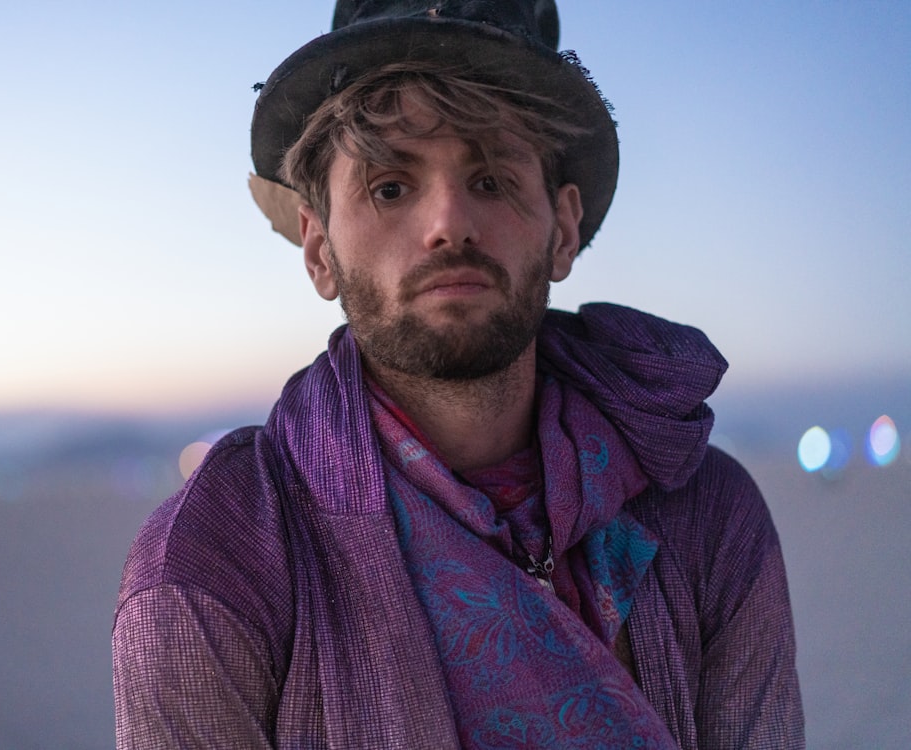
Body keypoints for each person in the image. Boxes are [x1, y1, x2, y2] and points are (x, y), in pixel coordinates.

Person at [112, 1, 804, 747]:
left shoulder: (707, 519)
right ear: (318, 249)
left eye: (491, 179)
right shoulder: (217, 563)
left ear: (563, 229)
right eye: (389, 187)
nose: (447, 221)